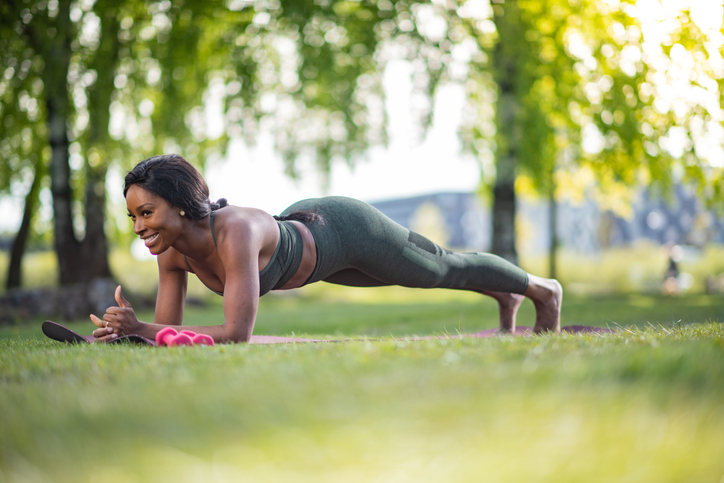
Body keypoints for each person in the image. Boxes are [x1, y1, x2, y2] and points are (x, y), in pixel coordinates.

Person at [91, 154, 562, 343]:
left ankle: (542, 290)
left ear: (178, 205)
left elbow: (237, 333)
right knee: (405, 276)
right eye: (133, 216)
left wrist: (144, 327)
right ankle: (505, 296)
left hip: (343, 229)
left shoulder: (234, 232)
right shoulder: (171, 252)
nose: (139, 227)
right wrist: (131, 332)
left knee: (440, 269)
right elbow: (171, 333)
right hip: (311, 255)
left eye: (147, 213)